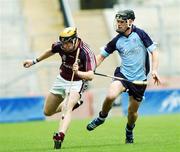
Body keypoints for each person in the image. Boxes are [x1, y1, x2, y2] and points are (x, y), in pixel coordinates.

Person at [86, 9, 161, 144]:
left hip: (139, 79)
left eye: (122, 22)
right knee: (110, 96)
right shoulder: (117, 40)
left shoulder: (141, 34)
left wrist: (154, 70)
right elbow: (101, 57)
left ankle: (129, 130)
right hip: (123, 75)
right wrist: (90, 69)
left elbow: (154, 52)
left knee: (132, 113)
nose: (119, 24)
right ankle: (101, 117)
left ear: (130, 22)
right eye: (118, 22)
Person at [23, 27, 96, 149]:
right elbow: (51, 51)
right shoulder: (61, 45)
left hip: (76, 82)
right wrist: (34, 61)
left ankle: (60, 135)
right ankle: (73, 104)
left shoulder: (85, 52)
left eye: (68, 43)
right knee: (47, 111)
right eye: (63, 43)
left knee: (67, 108)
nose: (65, 46)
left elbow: (91, 75)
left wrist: (78, 72)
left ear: (74, 40)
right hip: (61, 79)